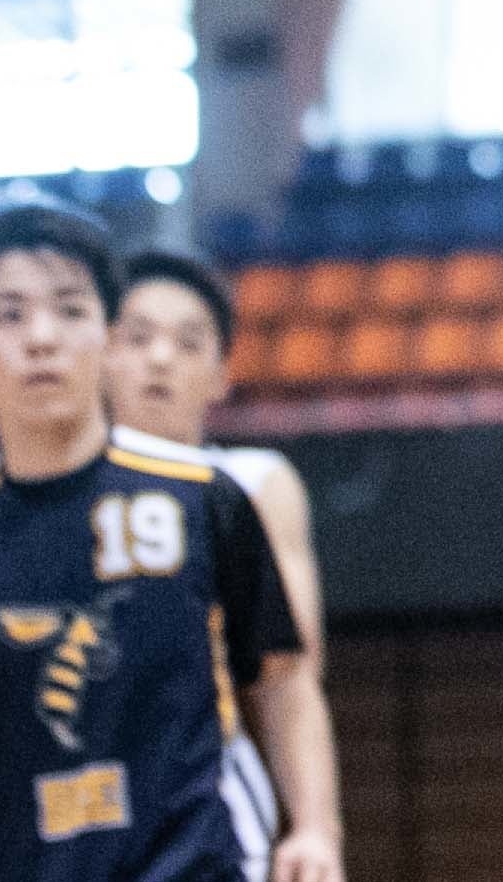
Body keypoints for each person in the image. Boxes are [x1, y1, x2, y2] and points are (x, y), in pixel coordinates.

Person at [0, 203, 337, 882]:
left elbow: (283, 678)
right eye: (11, 315)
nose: (42, 338)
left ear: (107, 337)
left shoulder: (206, 497)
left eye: (70, 310)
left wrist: (316, 828)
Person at [105, 250, 341, 882]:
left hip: (202, 801)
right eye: (138, 337)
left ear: (220, 375)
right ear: (101, 353)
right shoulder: (42, 496)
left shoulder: (252, 484)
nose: (160, 358)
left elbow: (291, 676)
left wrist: (316, 828)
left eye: (188, 342)